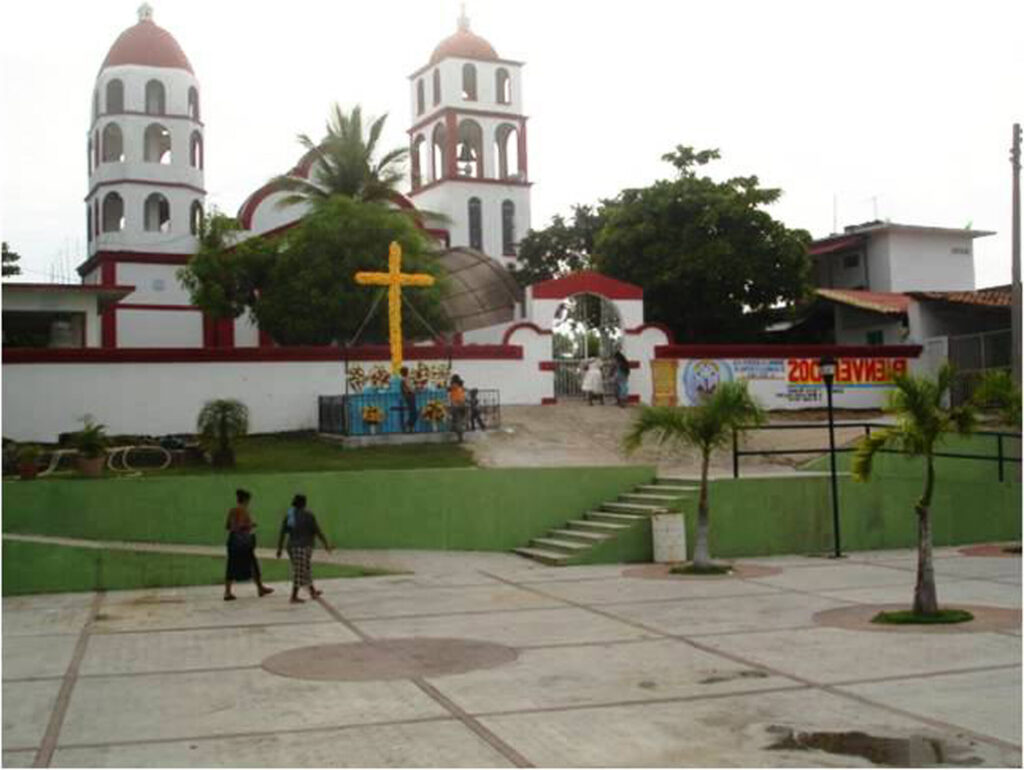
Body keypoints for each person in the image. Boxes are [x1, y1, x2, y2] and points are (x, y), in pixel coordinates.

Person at [276, 494, 332, 604]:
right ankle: (294, 596)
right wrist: (326, 544)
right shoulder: (308, 515)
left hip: (293, 547)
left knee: (305, 568)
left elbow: (282, 533)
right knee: (300, 571)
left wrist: (279, 548)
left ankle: (312, 591)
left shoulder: (290, 515)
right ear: (304, 503)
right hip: (303, 547)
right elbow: (317, 531)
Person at [224, 488, 274, 601]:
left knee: (231, 566)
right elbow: (240, 525)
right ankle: (260, 588)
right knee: (253, 564)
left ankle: (227, 591)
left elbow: (228, 526)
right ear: (246, 500)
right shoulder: (243, 511)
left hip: (232, 541)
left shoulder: (232, 510)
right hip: (242, 542)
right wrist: (251, 525)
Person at [448, 374, 467, 441]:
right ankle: (458, 429)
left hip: (457, 406)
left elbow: (449, 389)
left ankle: (460, 435)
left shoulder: (454, 387)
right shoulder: (461, 387)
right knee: (458, 420)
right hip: (462, 405)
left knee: (457, 420)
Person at [399, 366, 418, 432]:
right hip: (409, 396)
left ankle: (410, 426)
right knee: (413, 412)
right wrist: (415, 390)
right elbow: (409, 388)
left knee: (412, 412)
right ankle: (408, 425)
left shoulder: (405, 379)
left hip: (409, 396)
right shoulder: (404, 379)